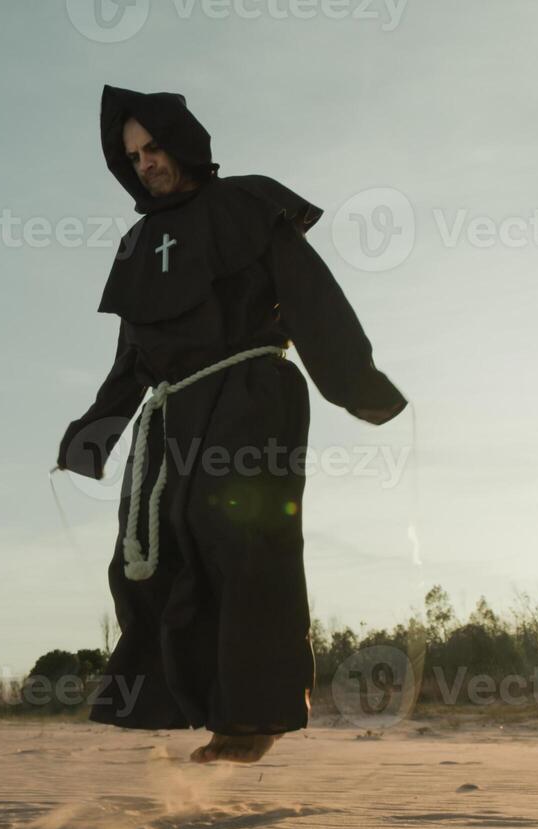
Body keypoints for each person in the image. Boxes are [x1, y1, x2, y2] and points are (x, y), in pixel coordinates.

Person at [56, 84, 409, 765]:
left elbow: (311, 298)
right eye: (132, 156)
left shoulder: (246, 203)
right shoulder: (138, 246)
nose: (146, 164)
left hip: (250, 391)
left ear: (183, 141)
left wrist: (355, 384)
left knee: (237, 532)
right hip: (174, 410)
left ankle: (255, 717)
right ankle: (197, 706)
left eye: (154, 147)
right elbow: (132, 359)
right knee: (148, 556)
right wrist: (95, 432)